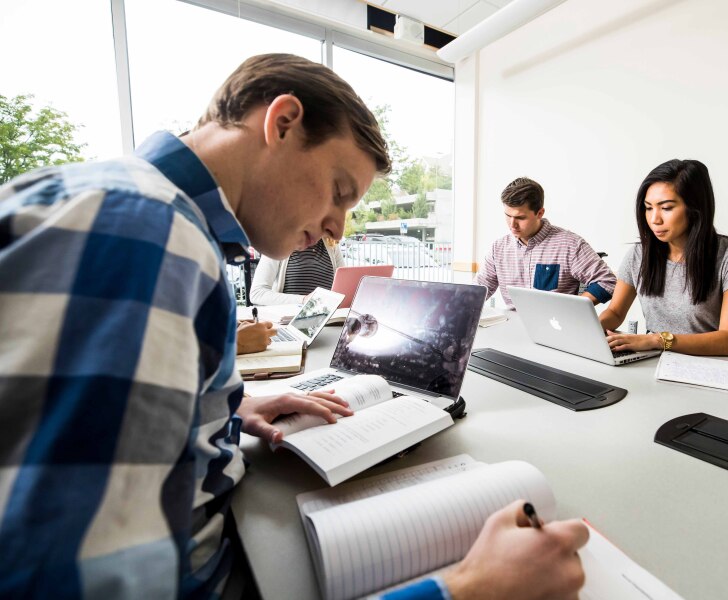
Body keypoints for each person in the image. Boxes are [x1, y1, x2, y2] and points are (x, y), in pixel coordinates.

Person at [0, 54, 587, 598]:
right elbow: (72, 577)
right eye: (339, 191)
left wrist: (216, 412)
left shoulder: (131, 211)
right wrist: (465, 591)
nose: (336, 227)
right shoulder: (146, 234)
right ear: (281, 122)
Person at [599, 159, 728, 356]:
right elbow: (615, 313)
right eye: (648, 208)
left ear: (695, 208)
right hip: (654, 360)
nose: (655, 219)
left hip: (711, 365)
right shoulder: (639, 254)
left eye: (666, 208)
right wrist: (589, 328)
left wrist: (656, 340)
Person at [475, 177, 616, 309]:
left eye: (520, 217)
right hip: (511, 326)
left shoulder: (570, 245)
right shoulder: (498, 248)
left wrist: (574, 310)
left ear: (540, 213)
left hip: (556, 328)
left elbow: (608, 281)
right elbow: (478, 290)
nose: (513, 225)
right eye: (508, 216)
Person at [250, 236, 344, 305]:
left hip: (327, 322)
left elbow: (343, 288)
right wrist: (303, 300)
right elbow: (257, 293)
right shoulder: (277, 243)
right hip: (289, 324)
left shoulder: (331, 243)